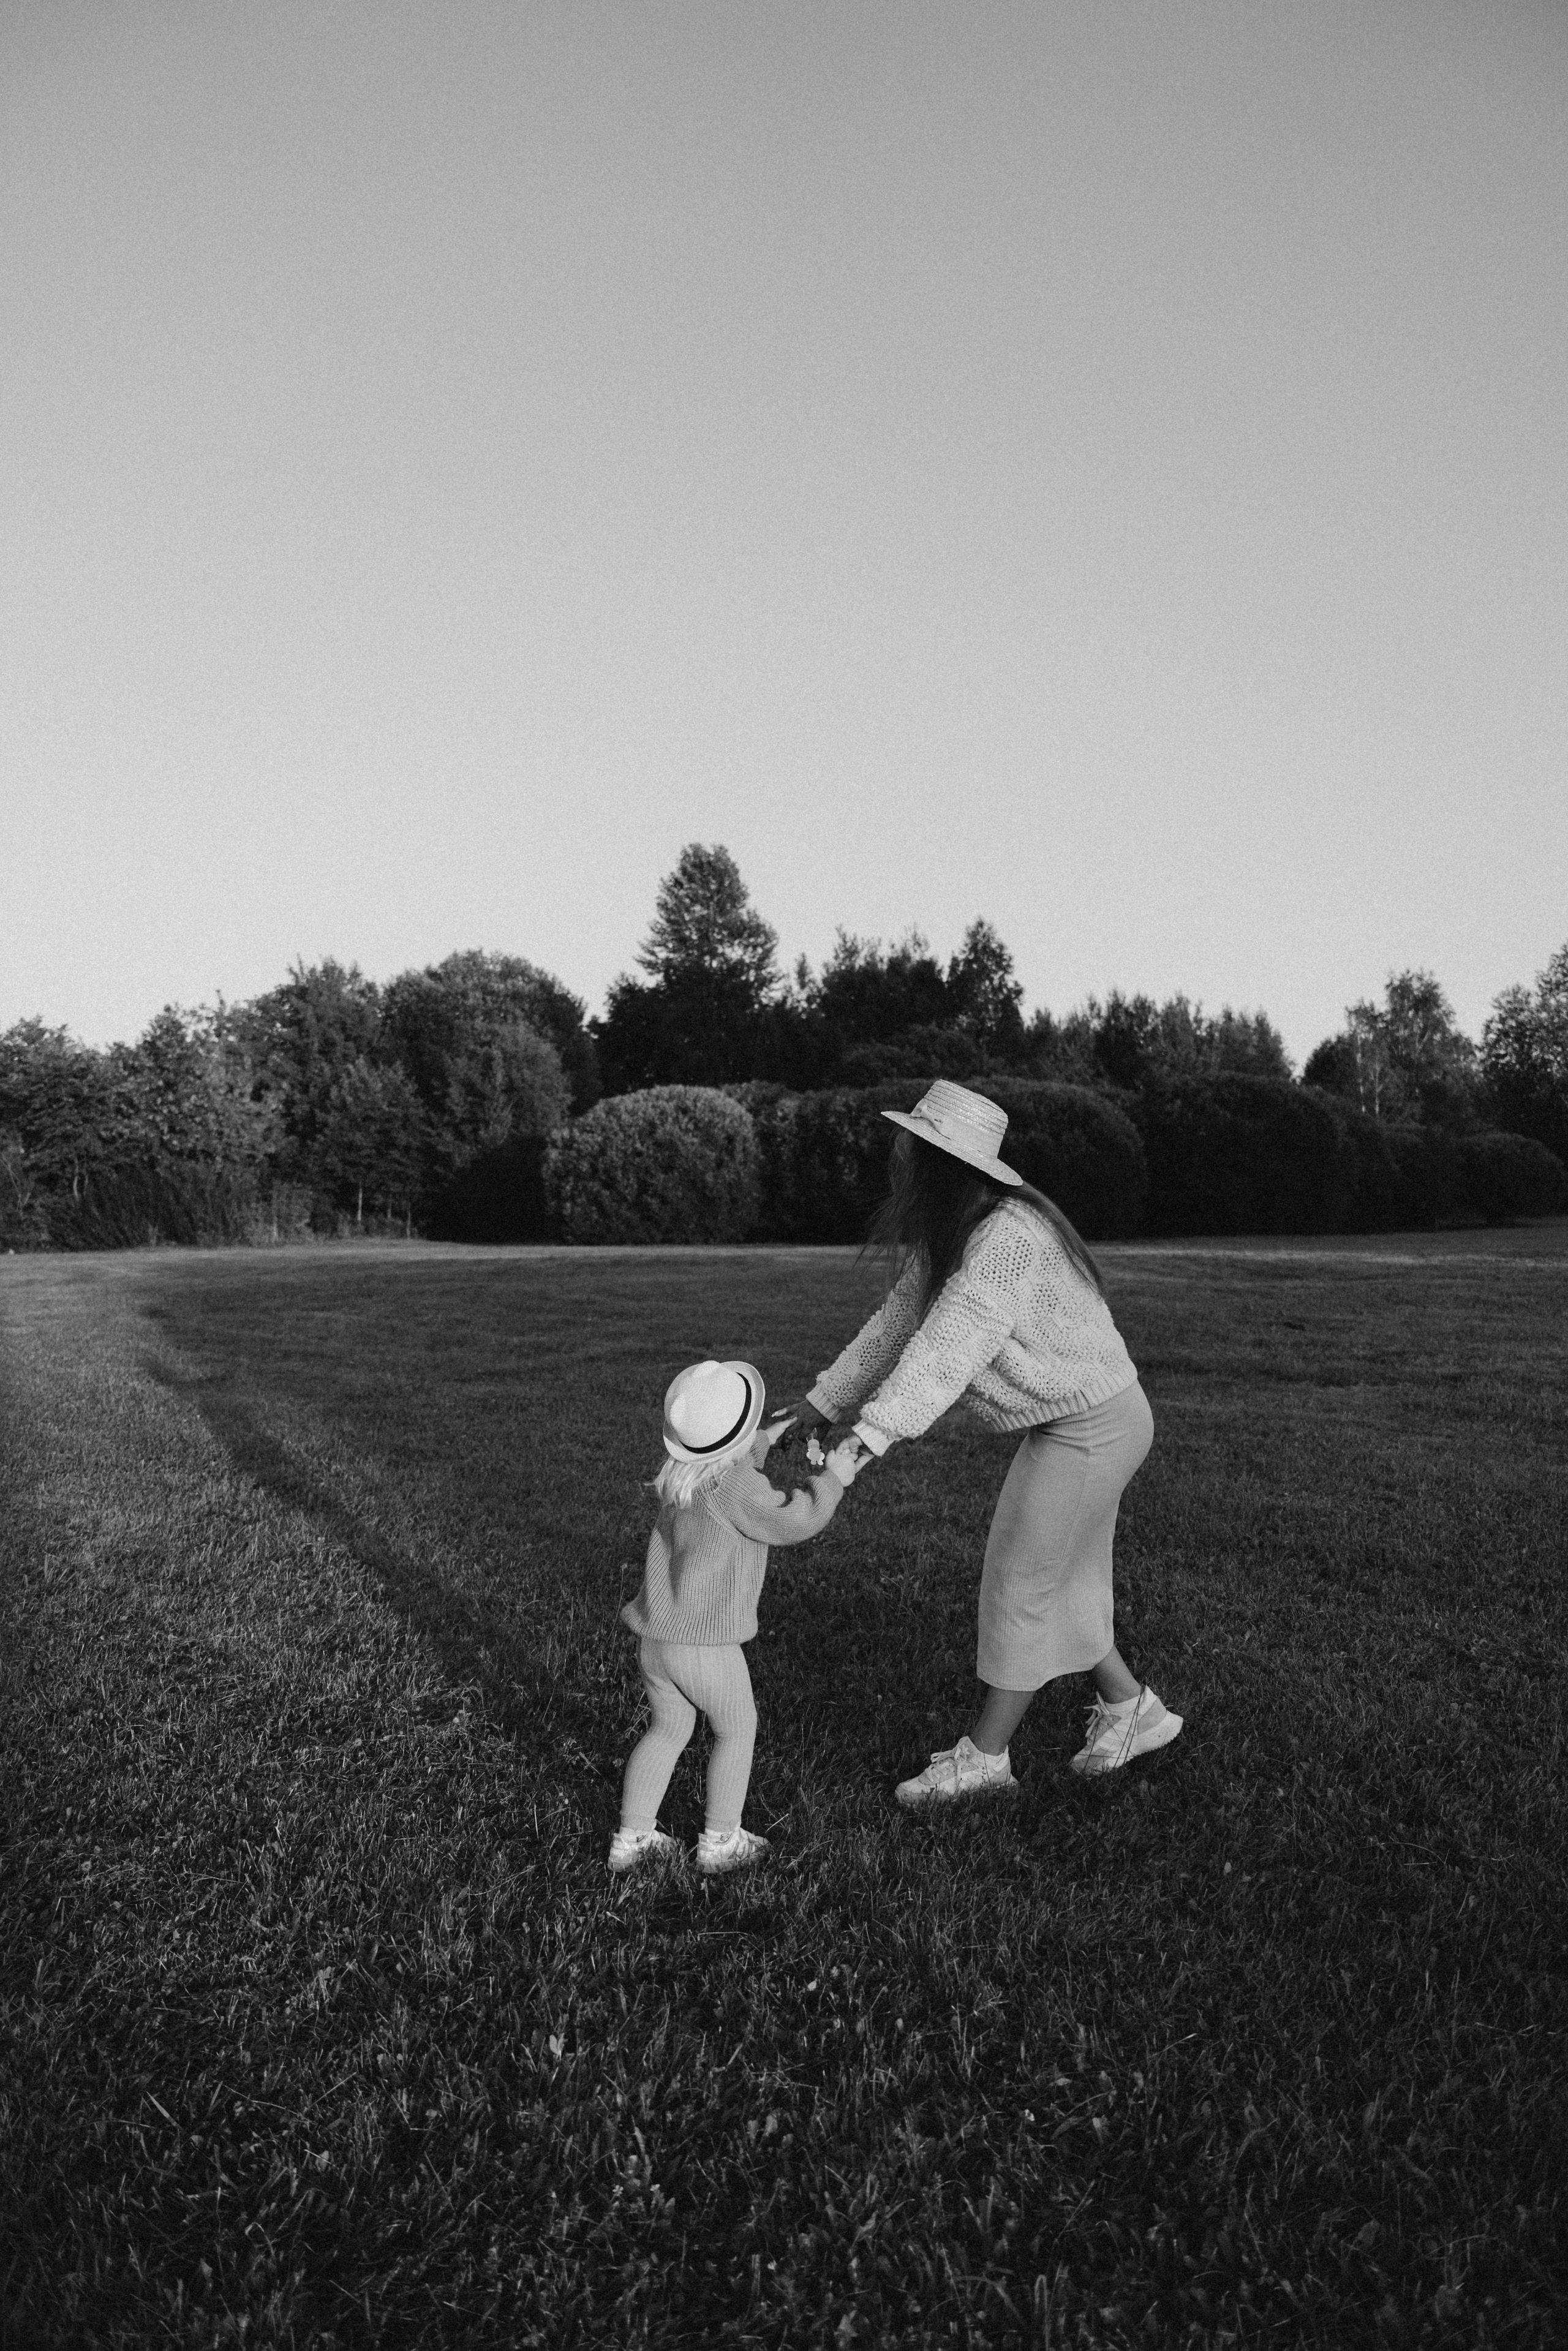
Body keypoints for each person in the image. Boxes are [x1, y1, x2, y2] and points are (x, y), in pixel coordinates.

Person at [783, 1079, 1180, 1806]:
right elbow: (896, 1325)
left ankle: (984, 1760)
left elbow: (945, 1351)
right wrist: (820, 1404)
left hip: (1094, 1427)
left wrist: (858, 1449)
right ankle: (1132, 1710)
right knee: (1062, 1576)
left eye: (910, 1147)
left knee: (1019, 1582)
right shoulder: (960, 1230)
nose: (898, 1158)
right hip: (1088, 1420)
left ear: (939, 1164)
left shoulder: (1005, 1239)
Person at [611, 1357, 865, 1876]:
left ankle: (631, 1840)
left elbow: (732, 1459)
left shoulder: (684, 1475)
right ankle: (720, 1841)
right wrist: (832, 1480)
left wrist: (769, 1437)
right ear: (740, 1433)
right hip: (703, 1644)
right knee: (737, 1727)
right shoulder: (737, 1489)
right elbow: (793, 1519)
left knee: (668, 1730)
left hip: (657, 1639)